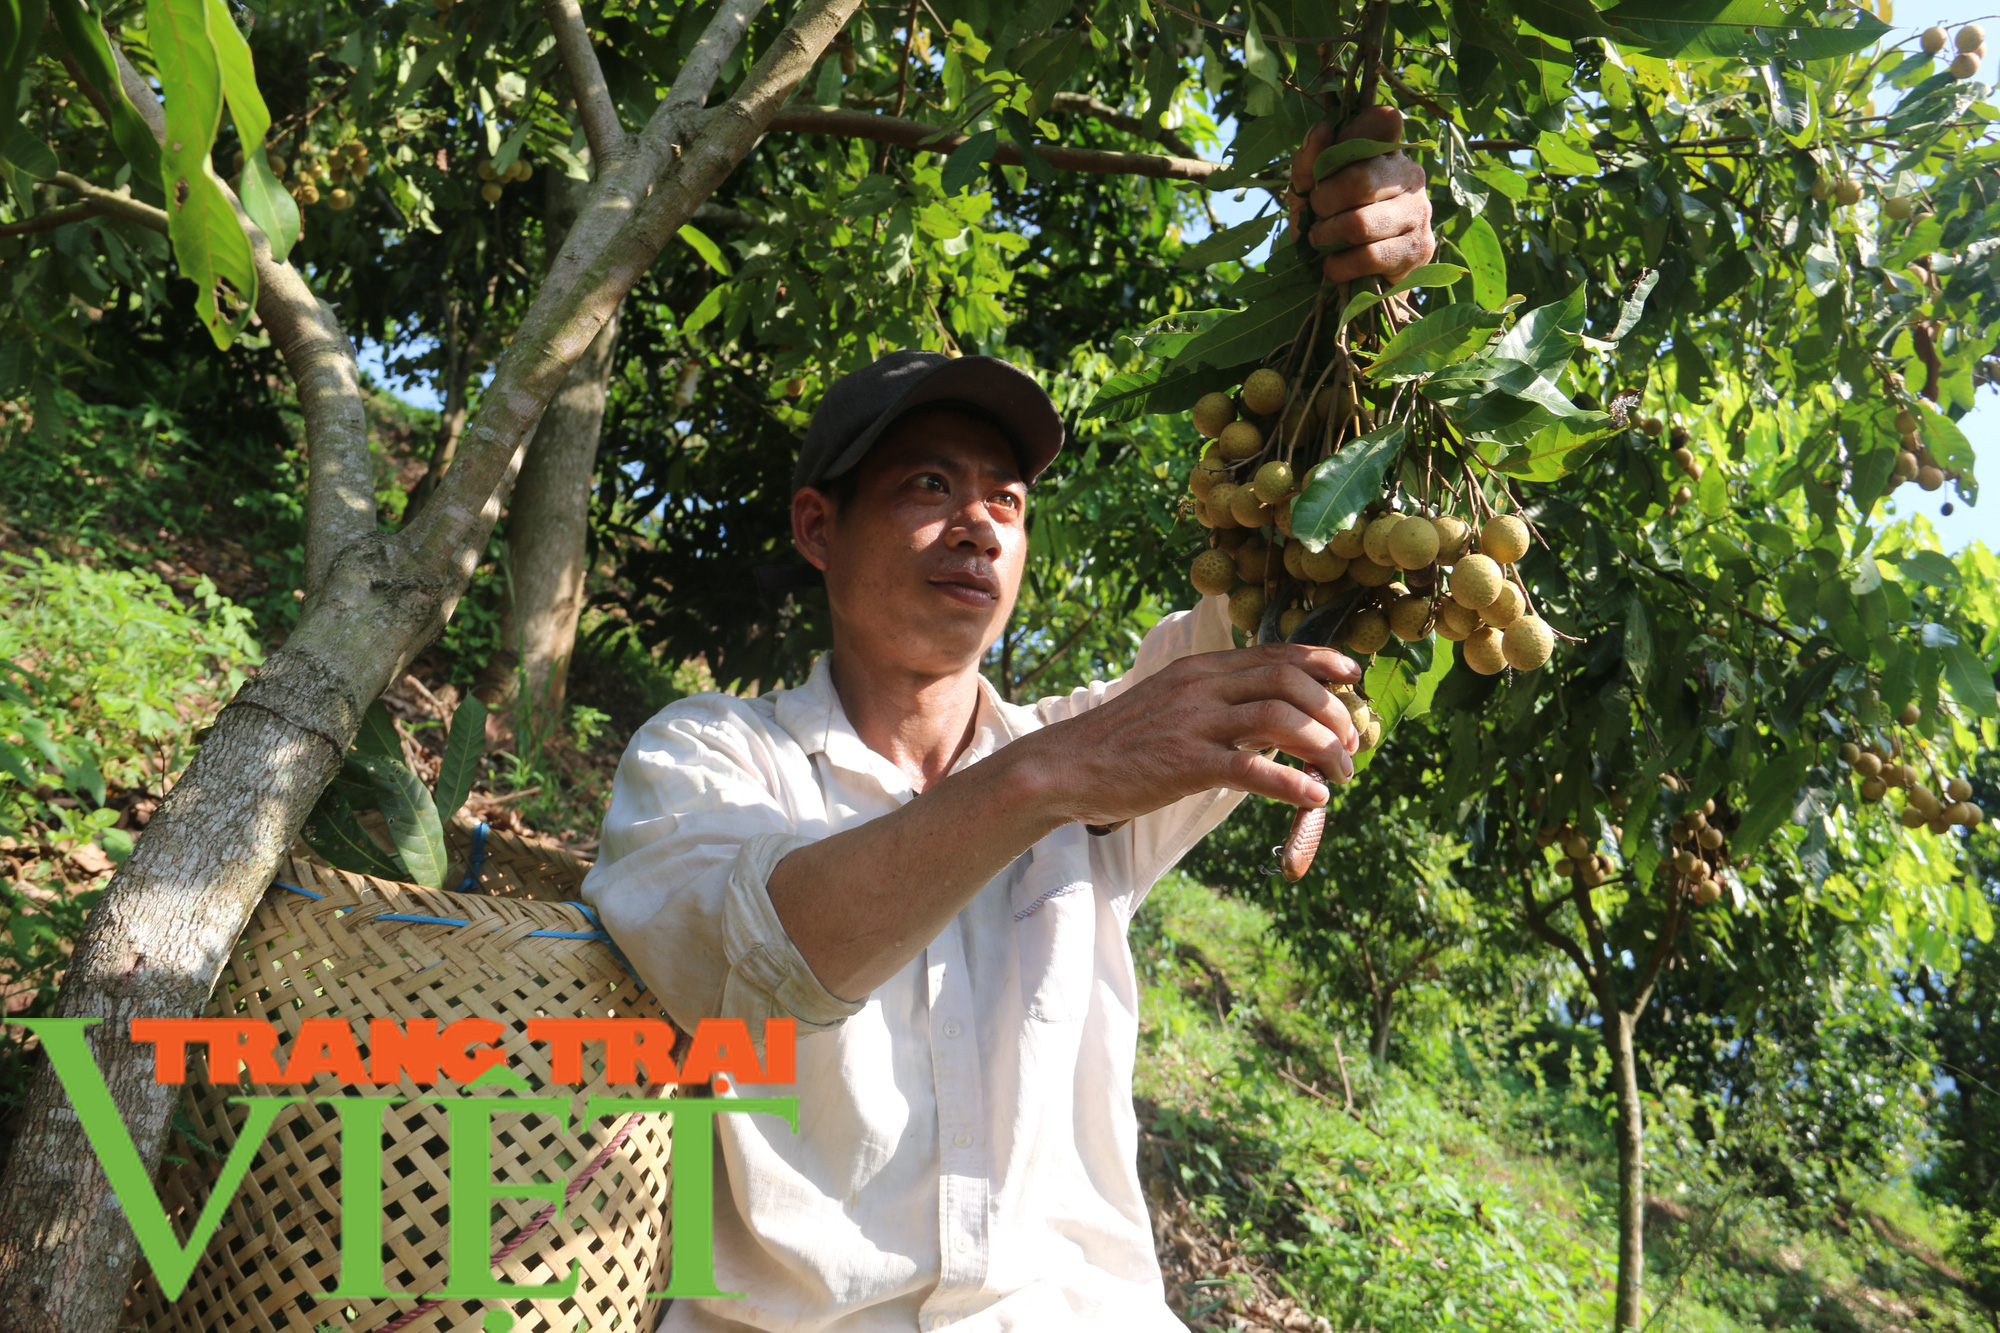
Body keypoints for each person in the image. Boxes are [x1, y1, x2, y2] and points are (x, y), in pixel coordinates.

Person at [581, 113, 1434, 1332]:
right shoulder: (709, 756)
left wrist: (1351, 290)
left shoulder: (1100, 764)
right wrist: (1047, 776)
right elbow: (762, 961)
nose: (979, 524)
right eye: (927, 486)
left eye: (1006, 500)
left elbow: (1281, 570)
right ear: (818, 528)